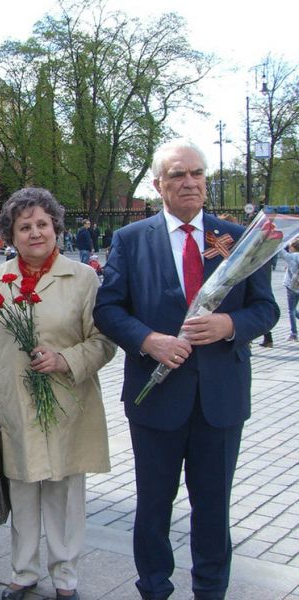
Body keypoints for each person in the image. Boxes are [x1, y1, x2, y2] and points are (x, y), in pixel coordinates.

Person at [93, 139, 279, 600]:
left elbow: (266, 309)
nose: (190, 182)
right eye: (178, 174)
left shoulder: (238, 239)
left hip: (221, 401)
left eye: (197, 173)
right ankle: (154, 588)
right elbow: (108, 310)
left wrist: (229, 325)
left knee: (213, 509)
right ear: (159, 185)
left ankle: (210, 591)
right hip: (156, 400)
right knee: (153, 509)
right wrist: (148, 340)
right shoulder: (131, 240)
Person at [0, 187, 115, 600]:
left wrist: (65, 359)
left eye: (42, 224)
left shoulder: (83, 278)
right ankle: (24, 571)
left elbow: (104, 341)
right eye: (24, 227)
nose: (34, 233)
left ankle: (65, 575)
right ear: (10, 236)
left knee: (63, 492)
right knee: (21, 490)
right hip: (12, 405)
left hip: (67, 403)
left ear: (56, 228)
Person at [281, 237, 299, 341]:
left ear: (292, 247)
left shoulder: (292, 257)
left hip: (291, 287)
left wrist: (287, 241)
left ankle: (293, 333)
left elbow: (280, 250)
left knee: (291, 310)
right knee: (293, 309)